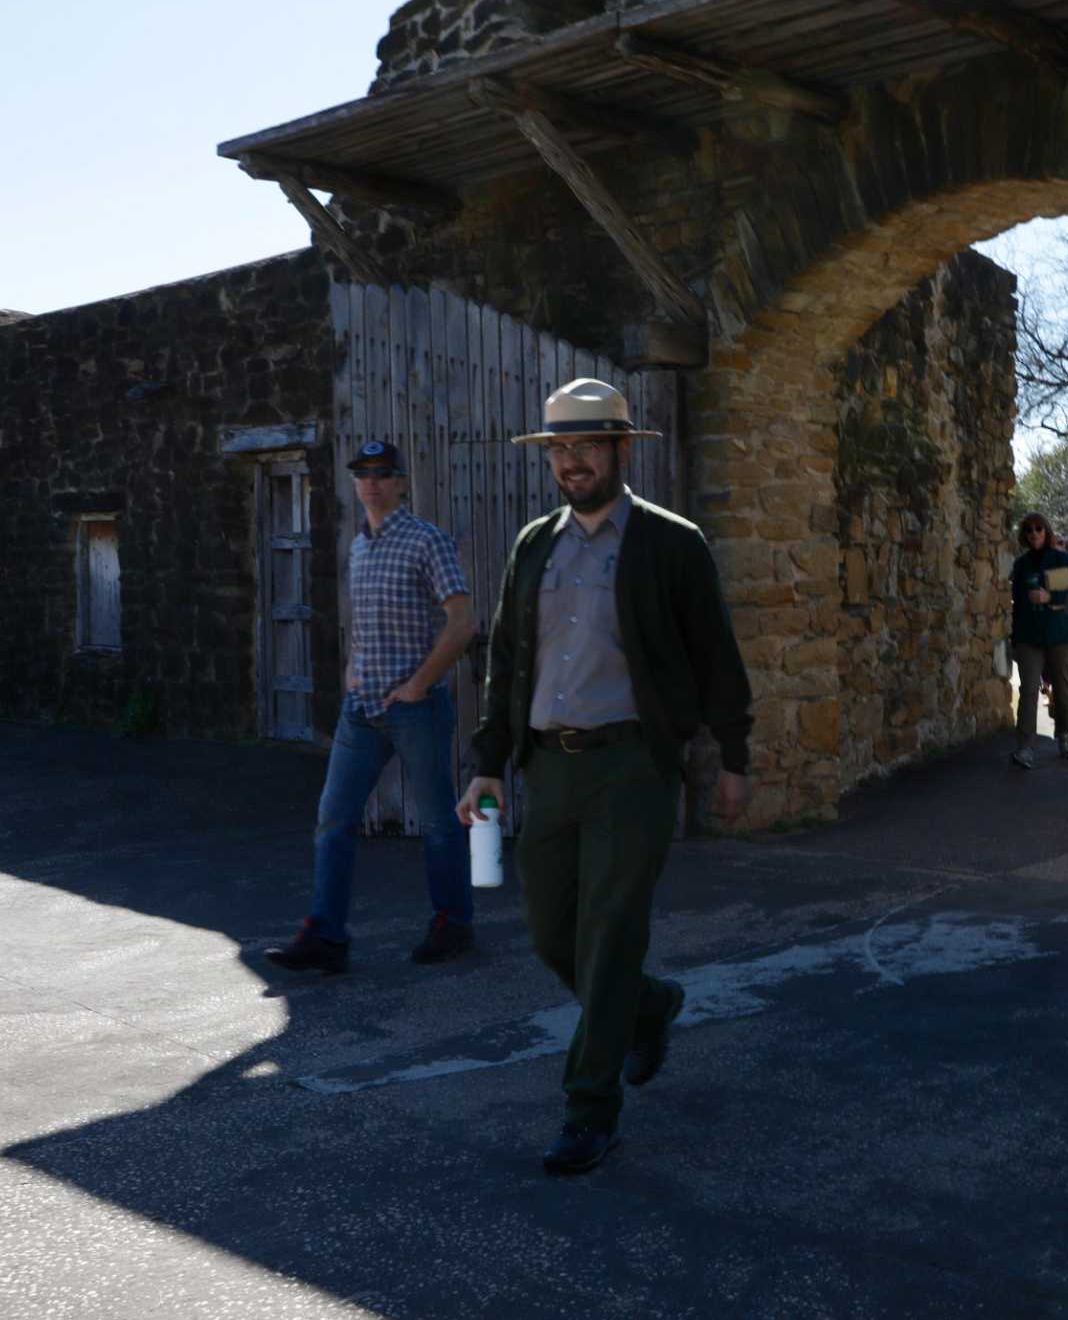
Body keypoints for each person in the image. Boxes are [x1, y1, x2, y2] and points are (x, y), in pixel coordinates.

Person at [456, 377, 754, 1177]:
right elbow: (508, 663)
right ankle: (649, 1006)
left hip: (633, 766)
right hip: (549, 769)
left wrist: (734, 756)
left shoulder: (671, 542)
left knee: (611, 933)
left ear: (622, 448)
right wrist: (487, 765)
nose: (572, 461)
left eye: (587, 445)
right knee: (557, 935)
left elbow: (716, 656)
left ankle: (589, 1109)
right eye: (559, 448)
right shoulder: (533, 544)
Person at [266, 439, 479, 975]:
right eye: (362, 473)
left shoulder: (426, 540)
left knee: (436, 823)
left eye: (383, 473)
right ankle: (327, 936)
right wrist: (352, 670)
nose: (372, 482)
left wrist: (418, 684)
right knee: (333, 820)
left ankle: (453, 923)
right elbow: (365, 624)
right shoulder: (358, 546)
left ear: (402, 482)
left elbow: (462, 623)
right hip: (361, 710)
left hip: (416, 709)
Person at [1009, 513, 1068, 768]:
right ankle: (1025, 747)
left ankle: (1064, 735)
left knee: (1061, 686)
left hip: (1059, 635)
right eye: (1028, 530)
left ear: (1046, 531)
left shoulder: (1061, 560)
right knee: (1028, 689)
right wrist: (1014, 639)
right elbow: (1015, 605)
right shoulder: (1021, 565)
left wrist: (1050, 598)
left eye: (1038, 528)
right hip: (1029, 636)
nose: (1034, 533)